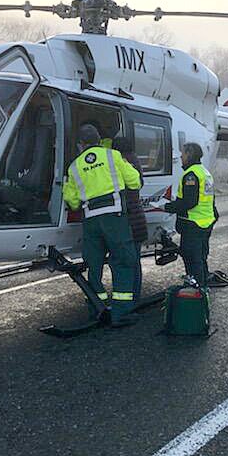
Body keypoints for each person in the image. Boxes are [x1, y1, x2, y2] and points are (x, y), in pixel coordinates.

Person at [63, 124, 141, 327]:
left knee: (94, 264)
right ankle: (120, 313)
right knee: (124, 260)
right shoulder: (113, 156)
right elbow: (135, 182)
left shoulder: (74, 167)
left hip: (91, 220)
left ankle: (98, 307)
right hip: (114, 218)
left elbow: (72, 201)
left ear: (81, 145)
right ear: (99, 140)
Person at [164, 143, 218, 287]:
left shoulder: (191, 175)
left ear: (189, 154)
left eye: (183, 154)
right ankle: (202, 281)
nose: (181, 157)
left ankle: (197, 287)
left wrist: (167, 207)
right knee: (201, 256)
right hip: (206, 221)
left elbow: (189, 202)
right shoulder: (204, 172)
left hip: (193, 223)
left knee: (191, 257)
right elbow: (210, 198)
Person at [112, 136, 148, 299]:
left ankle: (129, 298)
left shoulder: (122, 162)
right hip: (138, 217)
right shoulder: (135, 161)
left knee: (127, 261)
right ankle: (135, 294)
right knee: (135, 260)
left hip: (129, 218)